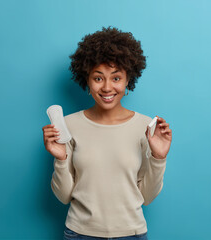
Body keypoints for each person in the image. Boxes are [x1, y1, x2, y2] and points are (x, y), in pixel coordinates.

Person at [42, 26, 172, 240]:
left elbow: (147, 197)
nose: (107, 87)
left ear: (128, 79)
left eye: (116, 78)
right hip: (80, 234)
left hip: (131, 234)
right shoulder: (68, 125)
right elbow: (64, 196)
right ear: (87, 80)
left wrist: (159, 157)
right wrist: (61, 159)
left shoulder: (146, 127)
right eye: (98, 78)